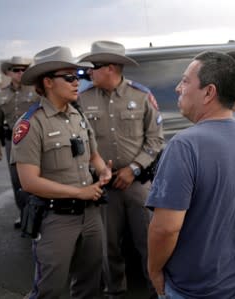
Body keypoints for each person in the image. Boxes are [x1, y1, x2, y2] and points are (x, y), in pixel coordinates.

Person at [146, 51, 235, 299]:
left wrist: (153, 271)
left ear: (209, 92)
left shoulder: (183, 146)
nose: (177, 88)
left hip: (198, 291)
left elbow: (165, 229)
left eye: (185, 81)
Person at [10, 46, 112, 299]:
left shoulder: (77, 116)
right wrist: (80, 192)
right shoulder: (30, 123)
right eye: (69, 77)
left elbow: (93, 156)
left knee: (90, 284)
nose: (77, 82)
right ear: (48, 82)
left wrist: (102, 171)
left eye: (78, 76)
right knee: (50, 289)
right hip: (55, 219)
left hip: (90, 215)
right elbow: (29, 182)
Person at [77, 40, 164, 299]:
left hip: (137, 184)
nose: (88, 72)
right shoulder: (83, 99)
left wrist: (134, 169)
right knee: (108, 247)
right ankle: (115, 291)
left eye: (94, 66)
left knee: (149, 242)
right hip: (102, 187)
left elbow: (156, 139)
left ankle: (156, 291)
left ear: (111, 68)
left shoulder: (141, 95)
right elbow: (79, 142)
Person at [0, 56, 39, 228]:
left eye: (24, 69)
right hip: (12, 141)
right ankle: (23, 214)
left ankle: (39, 214)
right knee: (16, 180)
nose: (20, 73)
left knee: (37, 177)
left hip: (34, 140)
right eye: (16, 70)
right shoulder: (2, 94)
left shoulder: (37, 90)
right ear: (9, 72)